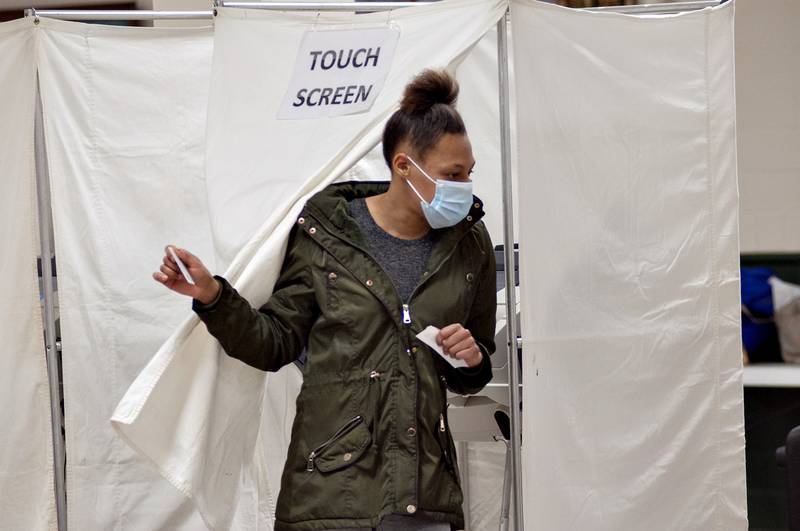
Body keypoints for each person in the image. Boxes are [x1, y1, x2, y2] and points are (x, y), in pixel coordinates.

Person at [153, 69, 496, 531]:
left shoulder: (470, 245)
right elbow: (273, 344)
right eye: (452, 174)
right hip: (329, 497)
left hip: (424, 496)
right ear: (403, 167)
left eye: (468, 173)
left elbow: (470, 377)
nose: (464, 186)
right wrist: (213, 297)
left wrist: (471, 360)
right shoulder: (327, 236)